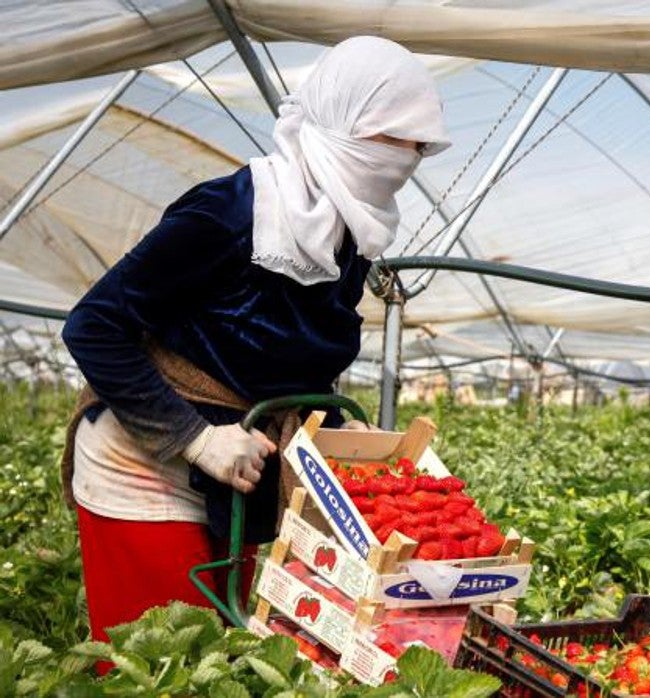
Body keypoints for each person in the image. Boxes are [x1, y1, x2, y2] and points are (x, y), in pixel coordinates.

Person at [59, 36, 451, 648]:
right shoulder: (231, 212)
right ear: (339, 121)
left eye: (418, 145)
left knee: (223, 653)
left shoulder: (346, 235)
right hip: (145, 461)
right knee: (167, 662)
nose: (406, 158)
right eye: (391, 138)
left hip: (240, 472)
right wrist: (195, 438)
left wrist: (342, 454)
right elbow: (93, 326)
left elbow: (301, 360)